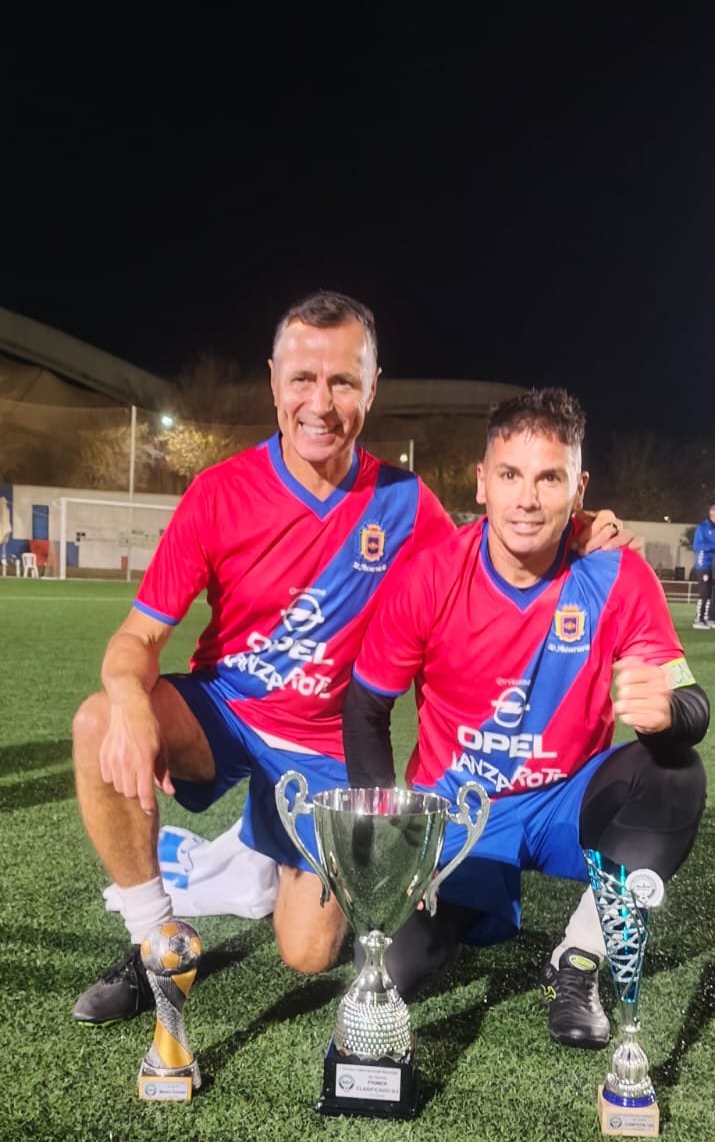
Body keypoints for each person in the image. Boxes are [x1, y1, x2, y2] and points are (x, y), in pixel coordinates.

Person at [72, 296, 636, 1026]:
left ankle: (261, 848)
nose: (320, 403)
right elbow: (137, 639)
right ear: (274, 381)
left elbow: (488, 557)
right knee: (96, 722)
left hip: (325, 750)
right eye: (303, 379)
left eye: (342, 382)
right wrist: (126, 699)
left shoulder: (406, 504)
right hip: (226, 713)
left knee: (308, 952)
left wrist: (575, 531)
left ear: (372, 388)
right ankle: (153, 942)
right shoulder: (219, 493)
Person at [342, 388, 709, 1048]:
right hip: (457, 811)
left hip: (567, 801)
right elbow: (366, 705)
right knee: (395, 966)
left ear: (579, 489)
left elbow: (691, 702)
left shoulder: (617, 574)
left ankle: (578, 959)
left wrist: (669, 711)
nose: (528, 499)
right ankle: (463, 907)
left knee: (675, 772)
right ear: (482, 482)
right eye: (510, 475)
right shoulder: (429, 577)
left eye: (549, 478)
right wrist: (392, 839)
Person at [692, 501, 715, 627]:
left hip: (713, 565)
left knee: (710, 592)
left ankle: (707, 618)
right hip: (704, 564)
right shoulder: (702, 528)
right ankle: (698, 619)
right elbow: (698, 546)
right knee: (704, 591)